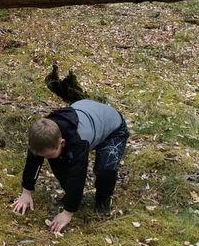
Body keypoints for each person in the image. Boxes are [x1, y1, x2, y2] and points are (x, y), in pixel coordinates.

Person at [11, 98, 129, 232]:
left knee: (105, 169)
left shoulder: (78, 141)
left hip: (113, 129)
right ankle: (70, 195)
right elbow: (33, 161)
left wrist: (68, 212)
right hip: (88, 112)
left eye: (47, 156)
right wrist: (26, 191)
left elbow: (77, 175)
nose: (45, 159)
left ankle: (103, 200)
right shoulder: (42, 135)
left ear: (62, 143)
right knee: (59, 161)